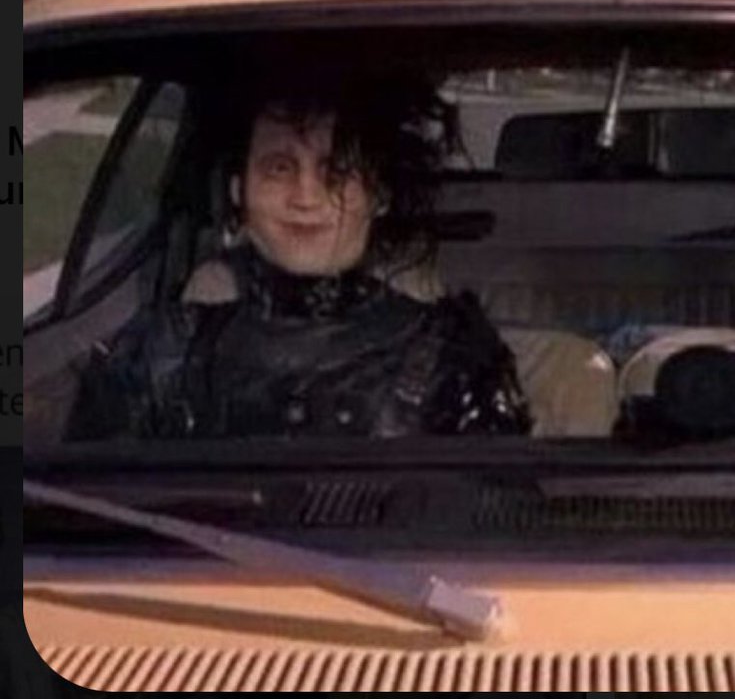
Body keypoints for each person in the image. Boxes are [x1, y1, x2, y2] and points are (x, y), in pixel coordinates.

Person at [69, 74, 531, 440]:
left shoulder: (455, 361)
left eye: (336, 171)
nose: (306, 197)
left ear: (379, 194)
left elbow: (498, 520)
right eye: (278, 168)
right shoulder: (158, 357)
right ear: (239, 190)